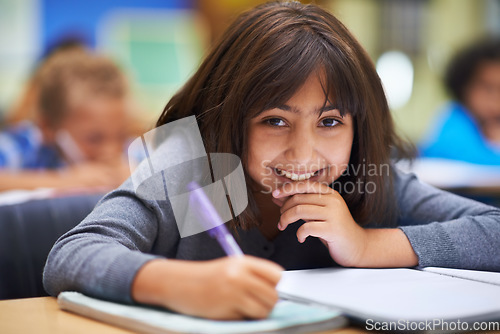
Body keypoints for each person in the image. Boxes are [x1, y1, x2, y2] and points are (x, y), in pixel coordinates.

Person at [44, 1, 500, 321]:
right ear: (225, 119)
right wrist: (178, 284)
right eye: (275, 121)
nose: (304, 155)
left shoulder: (361, 176)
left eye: (330, 122)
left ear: (359, 127)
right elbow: (71, 255)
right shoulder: (195, 171)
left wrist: (365, 245)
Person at [0, 48, 134, 192]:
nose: (111, 150)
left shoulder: (129, 151)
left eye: (121, 136)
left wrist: (137, 179)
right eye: (94, 139)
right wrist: (65, 181)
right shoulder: (23, 144)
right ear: (47, 127)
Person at [420, 37, 500, 165]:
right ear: (464, 87)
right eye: (487, 88)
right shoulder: (455, 117)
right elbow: (460, 155)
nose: (495, 99)